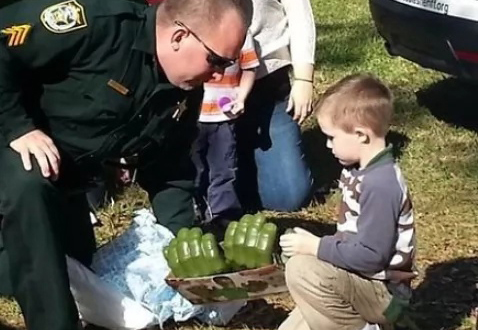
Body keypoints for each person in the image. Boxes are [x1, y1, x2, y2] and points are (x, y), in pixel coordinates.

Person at [0, 0, 250, 329]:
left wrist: (184, 246)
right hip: (14, 141)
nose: (219, 73)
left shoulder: (182, 90)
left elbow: (171, 171)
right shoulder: (97, 24)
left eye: (228, 64)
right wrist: (17, 125)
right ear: (178, 37)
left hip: (67, 176)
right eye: (216, 60)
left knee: (73, 267)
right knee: (30, 184)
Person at [279, 74, 417, 330]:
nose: (328, 145)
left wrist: (316, 247)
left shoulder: (380, 184)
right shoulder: (358, 169)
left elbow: (371, 257)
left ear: (362, 135)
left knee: (302, 270)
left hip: (383, 293)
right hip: (361, 281)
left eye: (332, 137)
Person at [236, 0, 316, 212]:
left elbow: (299, 11)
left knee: (287, 197)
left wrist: (304, 79)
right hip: (210, 86)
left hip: (268, 81)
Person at [192, 30, 259, 228]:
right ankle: (193, 208)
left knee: (224, 166)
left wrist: (241, 97)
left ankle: (222, 214)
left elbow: (249, 68)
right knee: (193, 167)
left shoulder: (240, 33)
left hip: (224, 116)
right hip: (192, 116)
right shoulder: (193, 29)